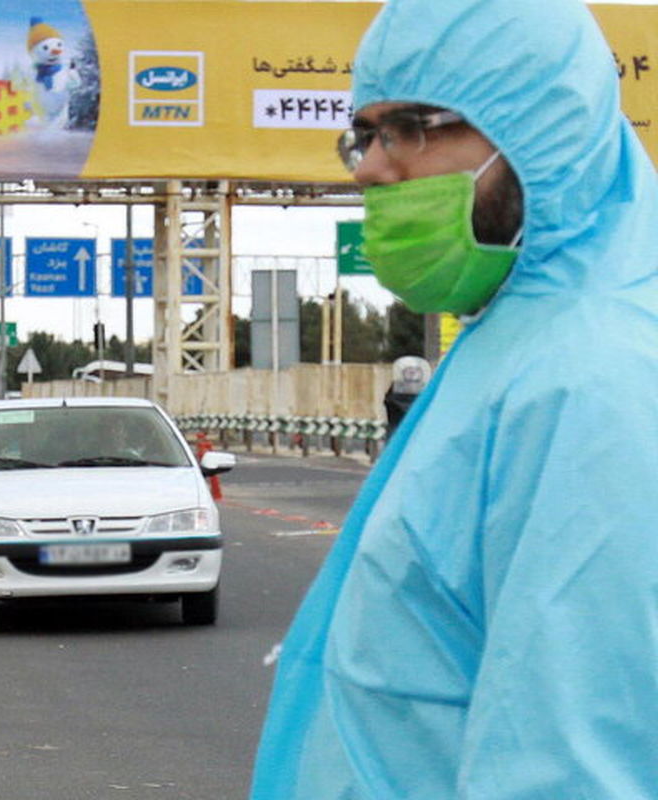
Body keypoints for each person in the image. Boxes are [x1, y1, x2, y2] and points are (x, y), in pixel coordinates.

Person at [251, 1, 658, 797]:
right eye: (363, 135)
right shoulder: (516, 337)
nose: (369, 167)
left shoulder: (590, 379)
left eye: (408, 127)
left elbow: (575, 765)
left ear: (544, 133)